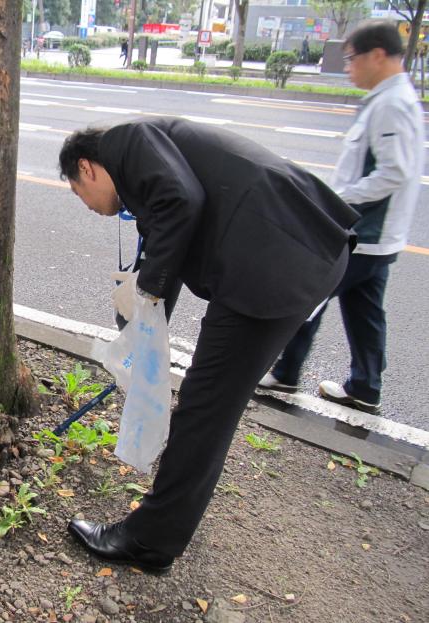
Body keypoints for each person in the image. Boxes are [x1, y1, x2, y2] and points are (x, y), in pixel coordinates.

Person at [57, 119, 358, 573]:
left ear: (88, 167)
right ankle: (170, 521)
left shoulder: (127, 142)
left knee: (205, 407)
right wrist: (143, 326)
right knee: (210, 406)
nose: (88, 206)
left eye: (79, 192)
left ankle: (150, 540)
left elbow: (183, 202)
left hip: (275, 264)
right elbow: (171, 238)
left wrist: (149, 293)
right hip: (294, 254)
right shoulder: (151, 163)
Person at [259, 21, 424, 414]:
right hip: (375, 237)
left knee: (306, 293)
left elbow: (392, 172)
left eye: (351, 59)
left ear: (377, 56)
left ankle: (285, 372)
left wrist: (336, 201)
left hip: (363, 232)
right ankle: (365, 386)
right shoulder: (390, 99)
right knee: (365, 310)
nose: (348, 67)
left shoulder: (391, 104)